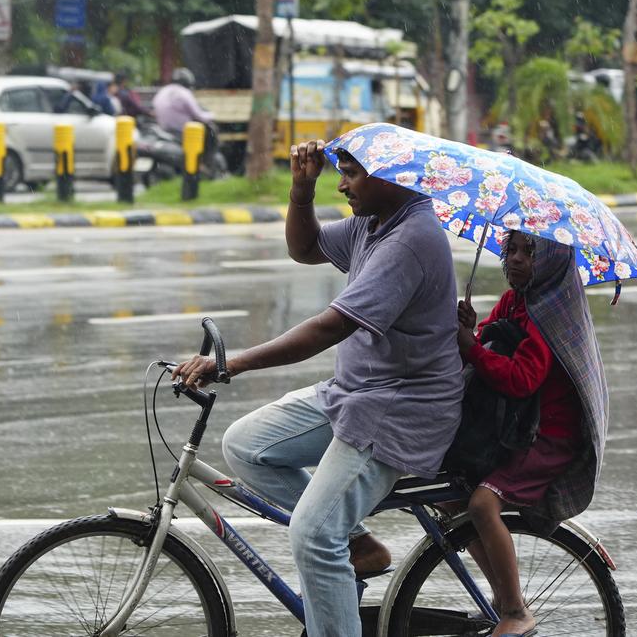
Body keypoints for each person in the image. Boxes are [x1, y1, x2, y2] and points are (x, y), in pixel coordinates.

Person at [173, 140, 464, 637]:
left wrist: (231, 364)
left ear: (390, 178)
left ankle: (336, 548)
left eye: (351, 174)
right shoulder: (375, 222)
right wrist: (301, 192)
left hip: (396, 409)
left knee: (312, 533)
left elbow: (328, 329)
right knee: (247, 446)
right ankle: (357, 545)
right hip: (354, 392)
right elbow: (305, 249)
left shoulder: (408, 240)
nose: (342, 184)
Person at [452, 229, 610, 637]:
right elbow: (492, 337)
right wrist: (474, 330)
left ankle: (516, 612)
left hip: (549, 436)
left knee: (483, 505)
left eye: (531, 252)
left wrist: (471, 347)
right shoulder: (515, 300)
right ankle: (507, 596)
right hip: (518, 427)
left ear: (554, 262)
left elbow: (522, 378)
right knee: (453, 501)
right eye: (512, 249)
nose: (517, 259)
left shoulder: (549, 314)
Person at [152, 67, 214, 136]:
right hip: (181, 131)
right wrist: (211, 115)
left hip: (163, 129)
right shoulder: (184, 93)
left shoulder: (164, 90)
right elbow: (198, 115)